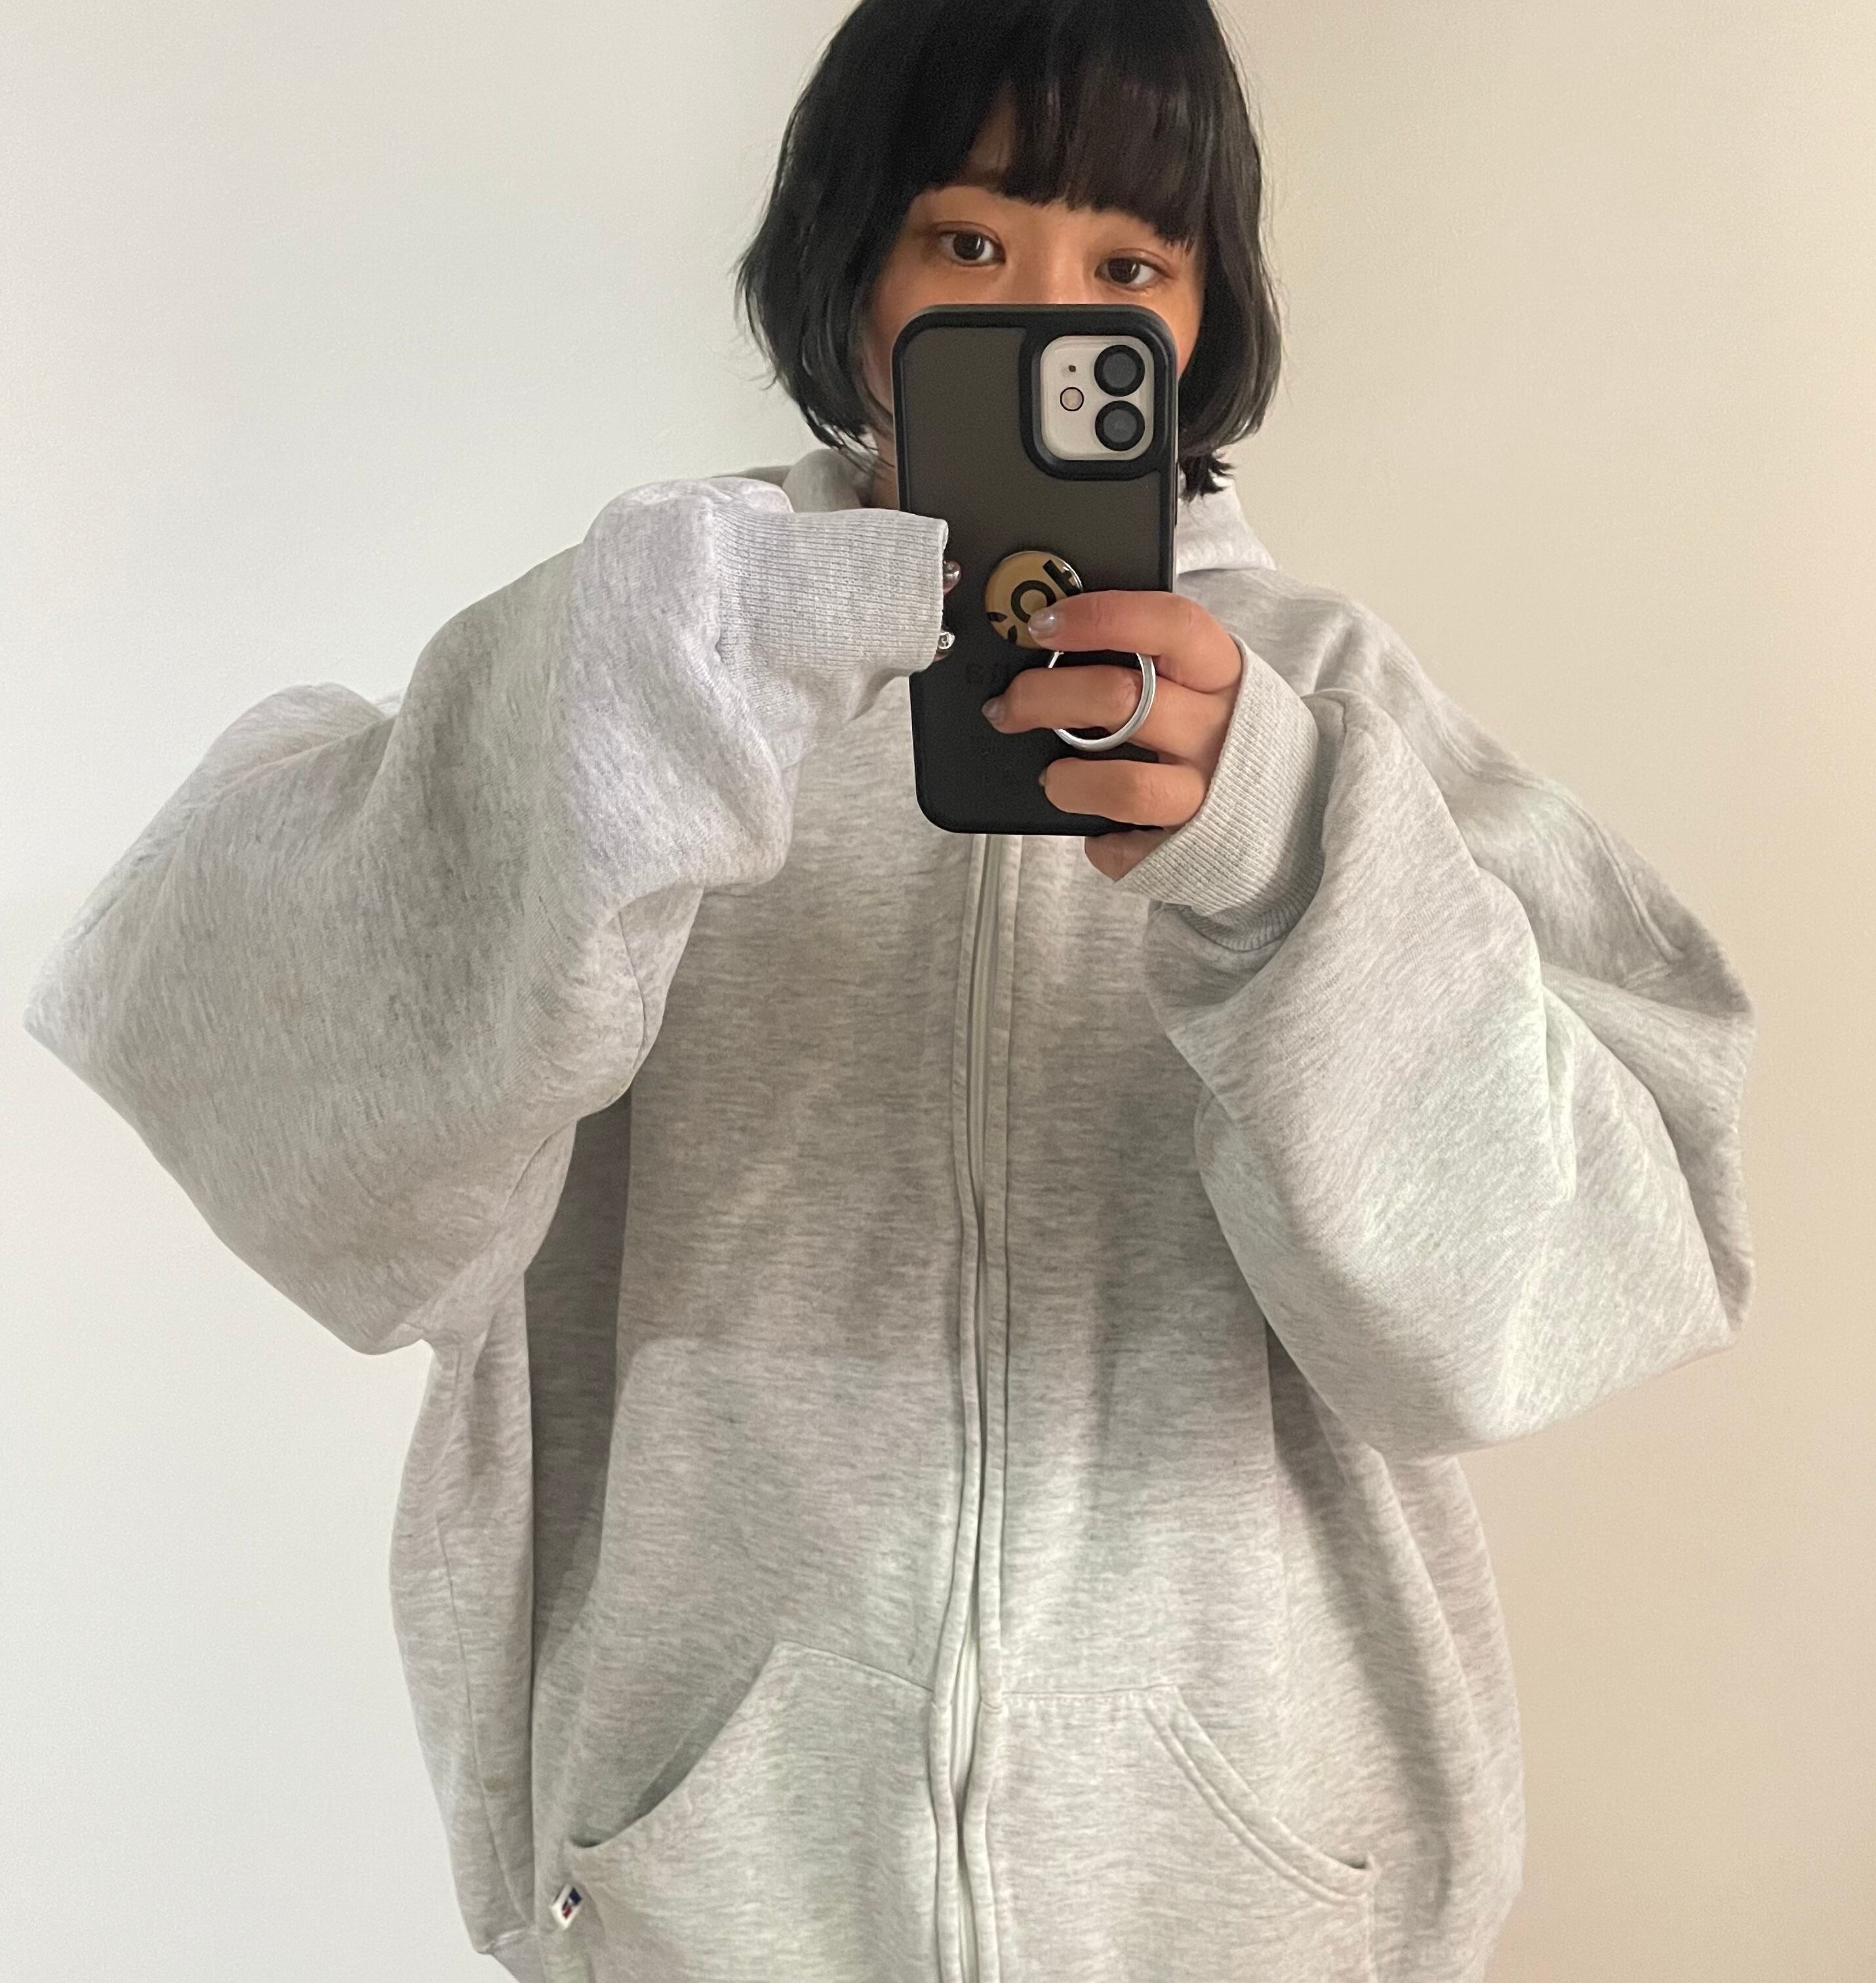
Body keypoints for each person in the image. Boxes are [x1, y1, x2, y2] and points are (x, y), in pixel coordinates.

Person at [21, 1, 1757, 1979]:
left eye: (1129, 265)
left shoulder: (1328, 709)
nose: (1044, 310)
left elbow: (1569, 1281)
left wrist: (1285, 853)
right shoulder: (665, 662)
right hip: (707, 1891)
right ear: (852, 262)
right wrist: (625, 724)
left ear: (1205, 315)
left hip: (1252, 1901)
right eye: (970, 238)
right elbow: (267, 1083)